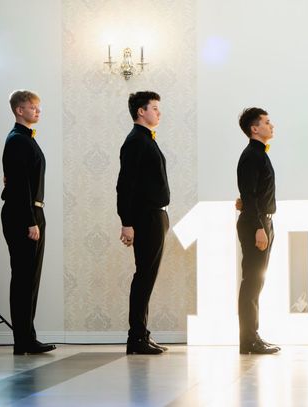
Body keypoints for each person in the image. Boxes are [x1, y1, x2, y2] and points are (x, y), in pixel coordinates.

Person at [1, 90, 56, 355]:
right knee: (24, 279)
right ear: (19, 110)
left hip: (31, 213)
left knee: (29, 278)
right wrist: (30, 221)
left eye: (38, 106)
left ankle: (26, 338)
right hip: (24, 216)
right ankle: (23, 340)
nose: (38, 110)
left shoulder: (25, 139)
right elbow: (20, 186)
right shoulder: (17, 140)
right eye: (33, 107)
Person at [117, 91, 170, 355]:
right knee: (144, 277)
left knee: (147, 277)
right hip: (146, 217)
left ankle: (141, 335)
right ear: (141, 111)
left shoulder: (146, 139)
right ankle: (136, 338)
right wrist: (127, 222)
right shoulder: (135, 141)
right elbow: (124, 185)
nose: (159, 112)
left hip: (155, 216)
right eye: (155, 108)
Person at [236, 107, 280, 354]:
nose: (271, 125)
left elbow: (251, 194)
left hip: (262, 221)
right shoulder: (252, 155)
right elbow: (250, 195)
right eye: (266, 122)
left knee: (256, 283)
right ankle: (249, 340)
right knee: (252, 283)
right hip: (258, 224)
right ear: (254, 128)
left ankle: (252, 337)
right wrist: (258, 227)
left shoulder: (259, 154)